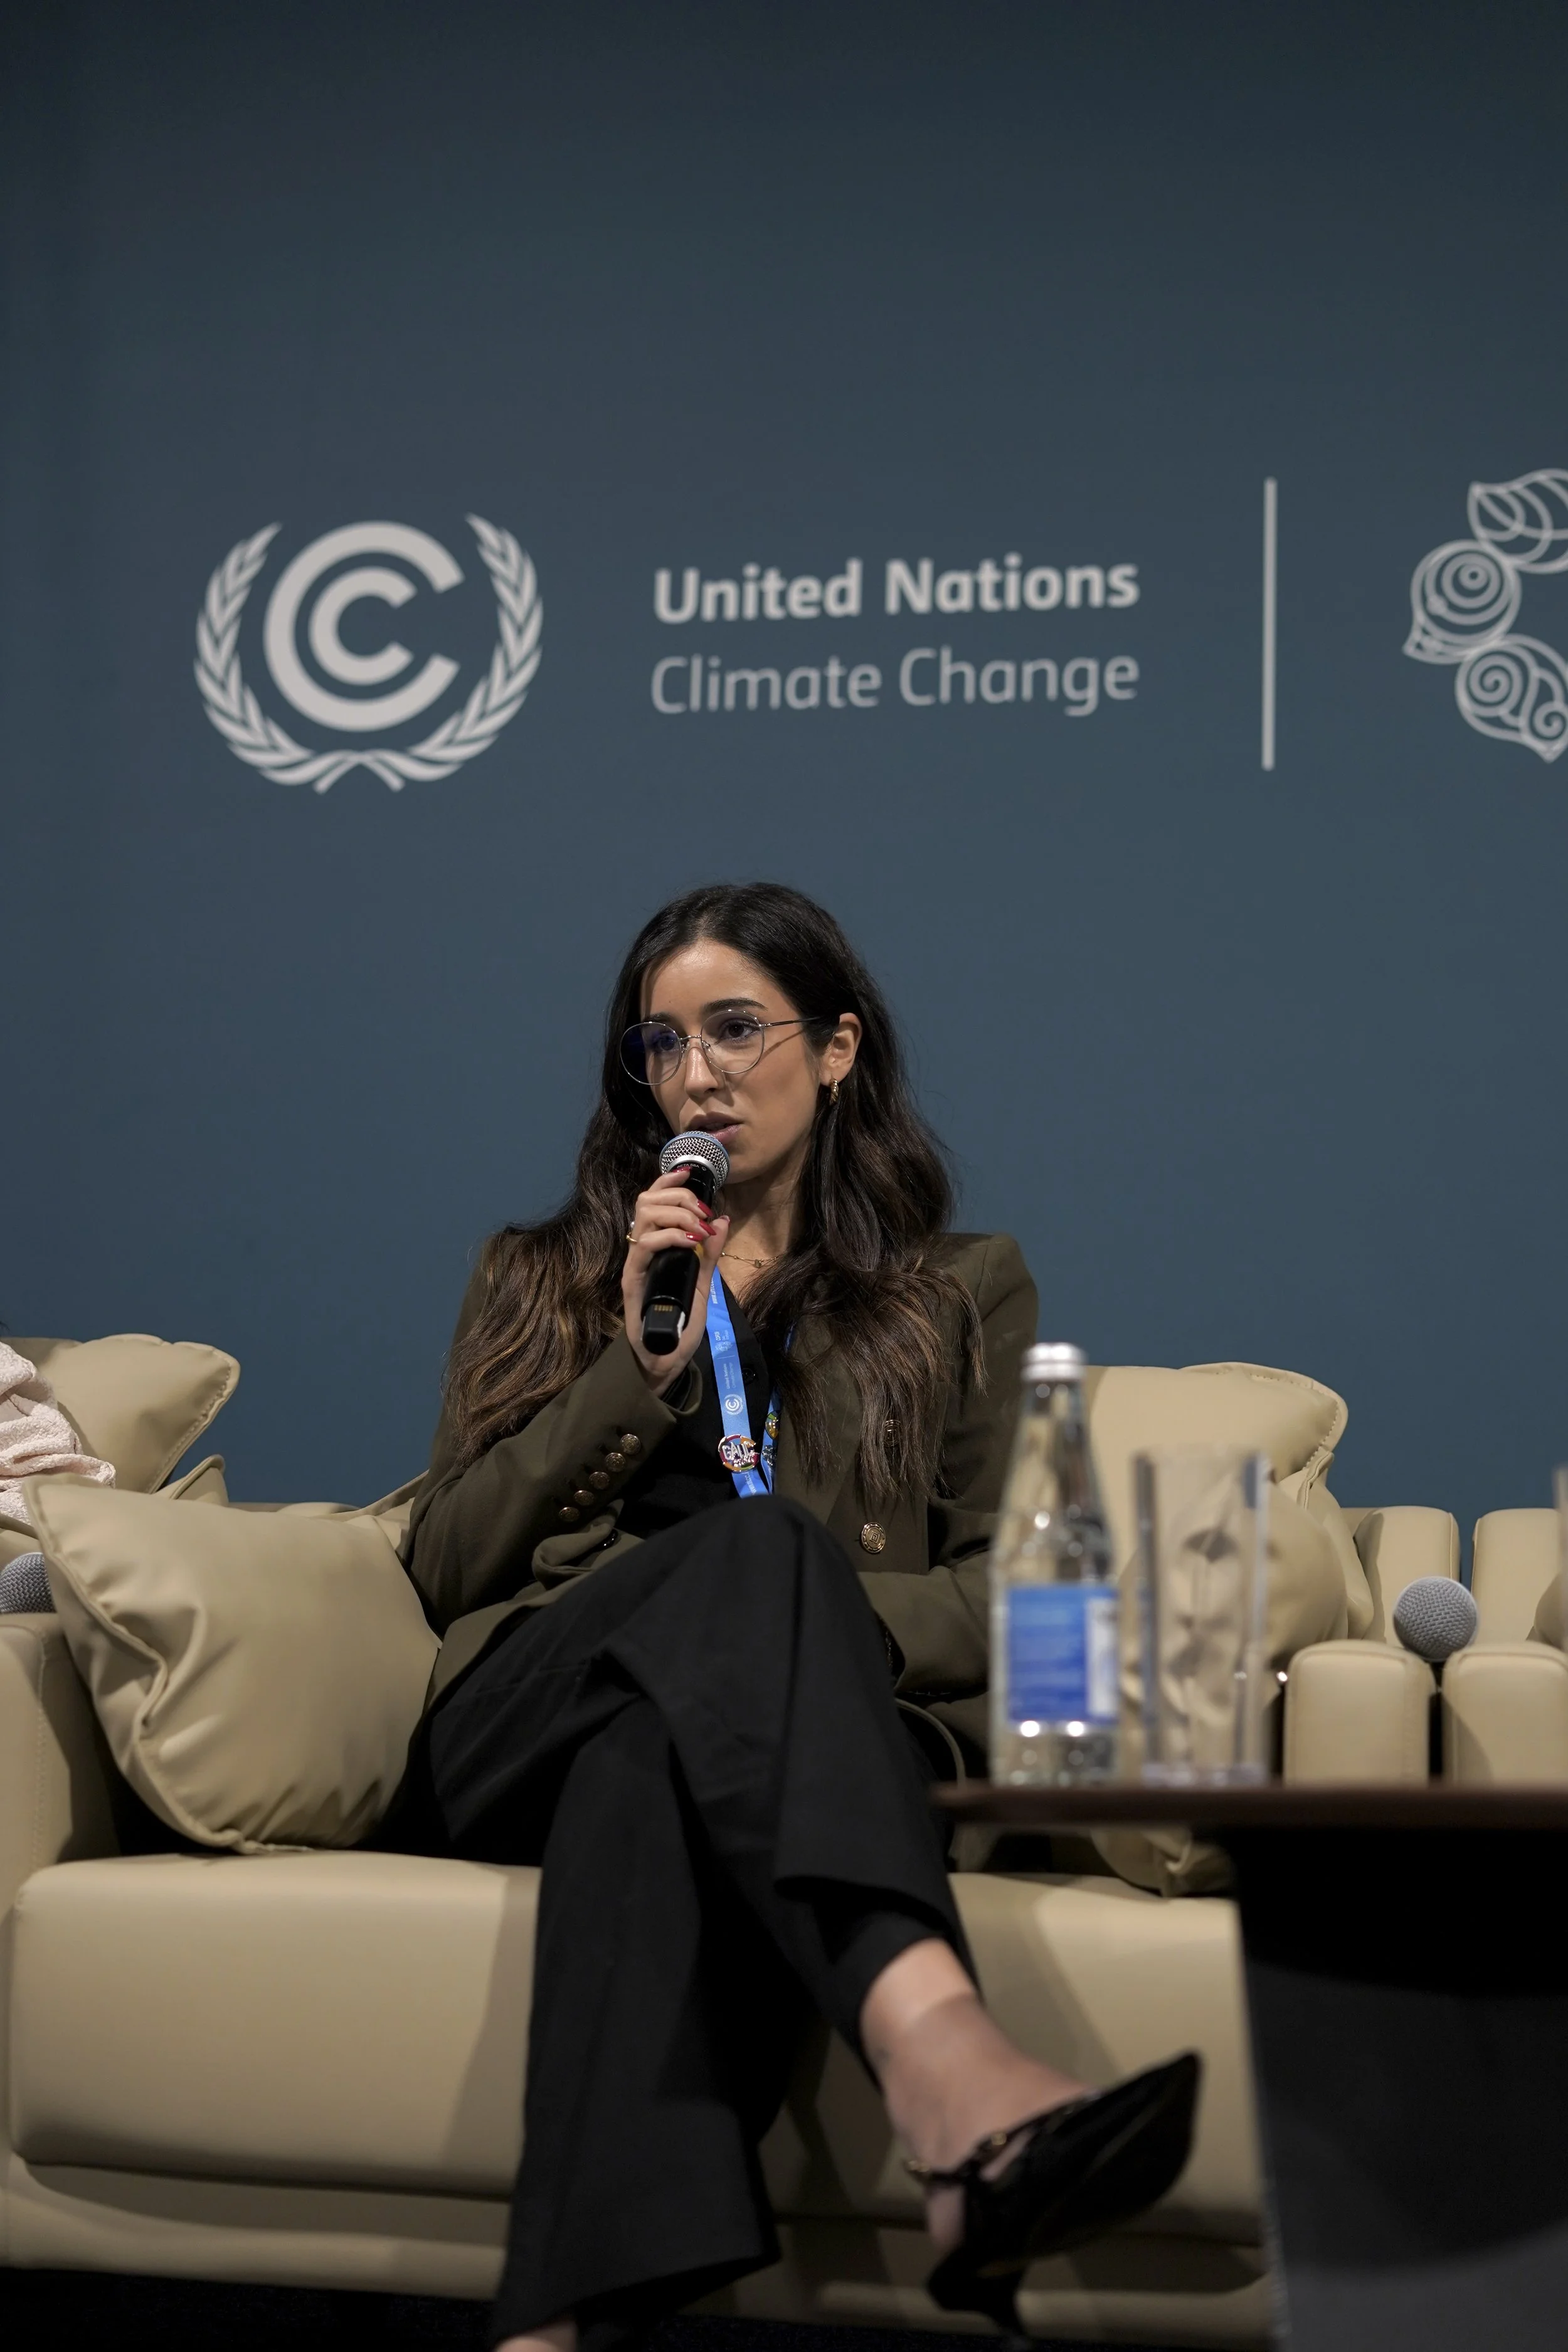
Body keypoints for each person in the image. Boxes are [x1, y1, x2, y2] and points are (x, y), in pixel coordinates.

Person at [395, 882, 1198, 2352]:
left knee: (663, 1747)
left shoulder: (952, 1296)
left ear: (833, 1052)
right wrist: (625, 1376)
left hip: (735, 1754)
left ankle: (552, 2325)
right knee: (752, 1568)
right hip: (525, 1714)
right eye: (660, 1043)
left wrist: (799, 1630)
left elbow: (1004, 1597)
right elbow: (443, 1561)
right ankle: (943, 2060)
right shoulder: (542, 1279)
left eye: (735, 1029)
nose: (695, 1072)